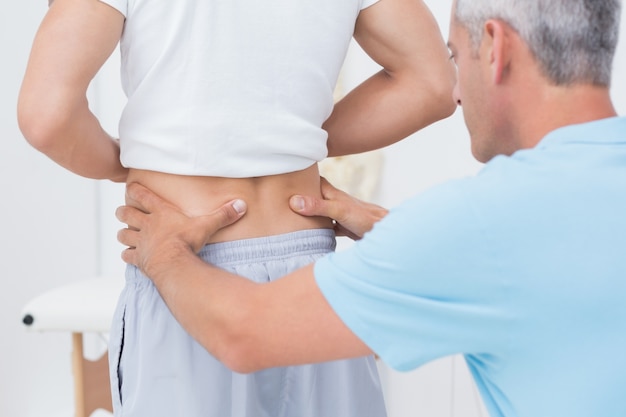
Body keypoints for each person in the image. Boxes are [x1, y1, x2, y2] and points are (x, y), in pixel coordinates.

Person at [115, 0, 626, 416]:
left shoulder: (482, 226)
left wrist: (163, 253)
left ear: (494, 47)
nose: (454, 91)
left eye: (456, 55)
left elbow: (243, 335)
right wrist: (406, 236)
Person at [17, 0, 456, 416]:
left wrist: (123, 165)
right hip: (311, 267)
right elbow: (433, 84)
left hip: (187, 268)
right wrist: (287, 144)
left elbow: (47, 116)